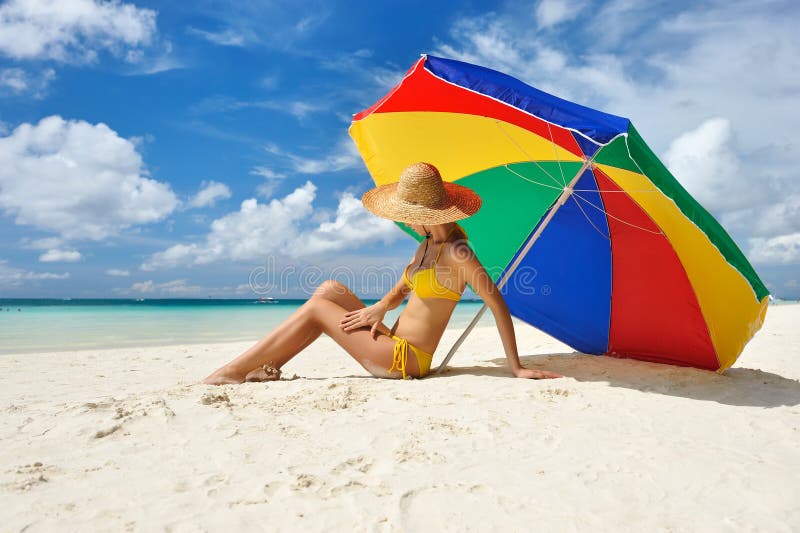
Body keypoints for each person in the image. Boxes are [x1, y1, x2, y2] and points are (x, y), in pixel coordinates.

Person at [203, 162, 562, 384]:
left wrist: (516, 368)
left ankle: (234, 371)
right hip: (393, 340)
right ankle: (264, 366)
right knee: (330, 289)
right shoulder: (424, 247)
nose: (401, 217)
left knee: (316, 310)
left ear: (423, 215)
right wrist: (378, 308)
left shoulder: (458, 252)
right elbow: (397, 294)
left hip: (406, 361)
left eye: (404, 211)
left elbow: (497, 303)